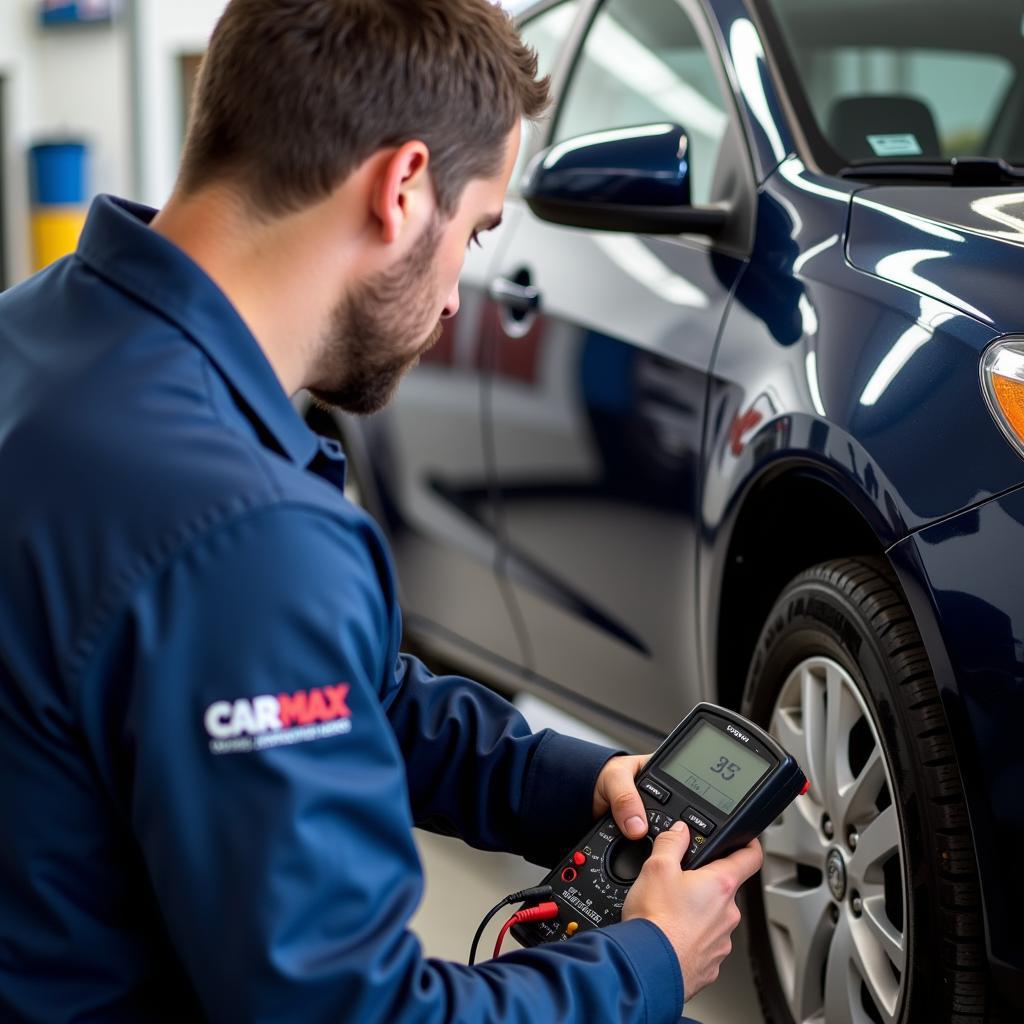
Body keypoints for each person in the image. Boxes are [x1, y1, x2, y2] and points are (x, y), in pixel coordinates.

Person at [0, 1, 762, 1020]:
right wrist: (646, 963)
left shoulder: (34, 334)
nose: (457, 299)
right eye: (478, 230)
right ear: (402, 188)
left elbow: (294, 679)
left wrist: (571, 784)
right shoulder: (245, 532)